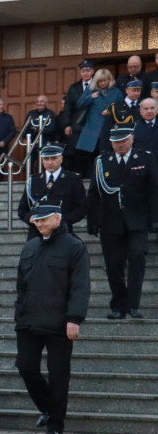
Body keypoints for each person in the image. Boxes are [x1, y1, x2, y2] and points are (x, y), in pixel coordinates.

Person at [15, 204, 90, 434]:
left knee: (58, 377)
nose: (39, 224)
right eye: (37, 220)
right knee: (26, 367)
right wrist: (20, 314)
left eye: (45, 220)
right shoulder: (30, 247)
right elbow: (21, 286)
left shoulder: (74, 246)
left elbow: (80, 286)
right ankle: (48, 409)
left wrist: (74, 318)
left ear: (58, 218)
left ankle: (55, 425)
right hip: (29, 321)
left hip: (59, 323)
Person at [86, 127, 158, 319]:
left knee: (137, 257)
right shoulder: (102, 162)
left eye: (124, 140)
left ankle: (133, 305)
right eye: (116, 141)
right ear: (111, 142)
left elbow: (154, 190)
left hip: (137, 221)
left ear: (132, 139)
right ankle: (119, 305)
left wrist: (155, 220)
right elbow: (94, 193)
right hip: (110, 222)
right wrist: (92, 221)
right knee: (114, 265)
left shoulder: (145, 158)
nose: (120, 144)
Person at [18, 144, 87, 239]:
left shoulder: (73, 179)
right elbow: (22, 210)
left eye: (54, 158)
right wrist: (31, 218)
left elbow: (81, 208)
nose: (50, 162)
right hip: (36, 235)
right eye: (46, 159)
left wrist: (59, 220)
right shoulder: (33, 180)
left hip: (62, 233)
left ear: (61, 159)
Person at [75, 68, 124, 160]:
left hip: (110, 129)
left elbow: (122, 108)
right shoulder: (90, 90)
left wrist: (111, 111)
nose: (102, 83)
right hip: (92, 130)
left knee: (109, 158)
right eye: (100, 81)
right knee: (90, 160)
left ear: (109, 80)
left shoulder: (116, 92)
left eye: (105, 80)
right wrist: (90, 97)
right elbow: (79, 105)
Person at [59, 59, 96, 176]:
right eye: (83, 71)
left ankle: (91, 178)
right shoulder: (74, 87)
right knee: (77, 152)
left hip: (93, 125)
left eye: (88, 70)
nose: (85, 73)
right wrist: (67, 124)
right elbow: (68, 107)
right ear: (80, 72)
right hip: (77, 125)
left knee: (92, 153)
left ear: (92, 71)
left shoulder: (98, 85)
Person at [25, 95, 59, 174]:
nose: (39, 103)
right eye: (38, 101)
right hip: (32, 144)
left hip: (45, 144)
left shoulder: (50, 114)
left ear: (46, 103)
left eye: (41, 101)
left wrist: (37, 130)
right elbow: (26, 128)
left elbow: (52, 128)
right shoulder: (31, 114)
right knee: (28, 165)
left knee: (44, 166)